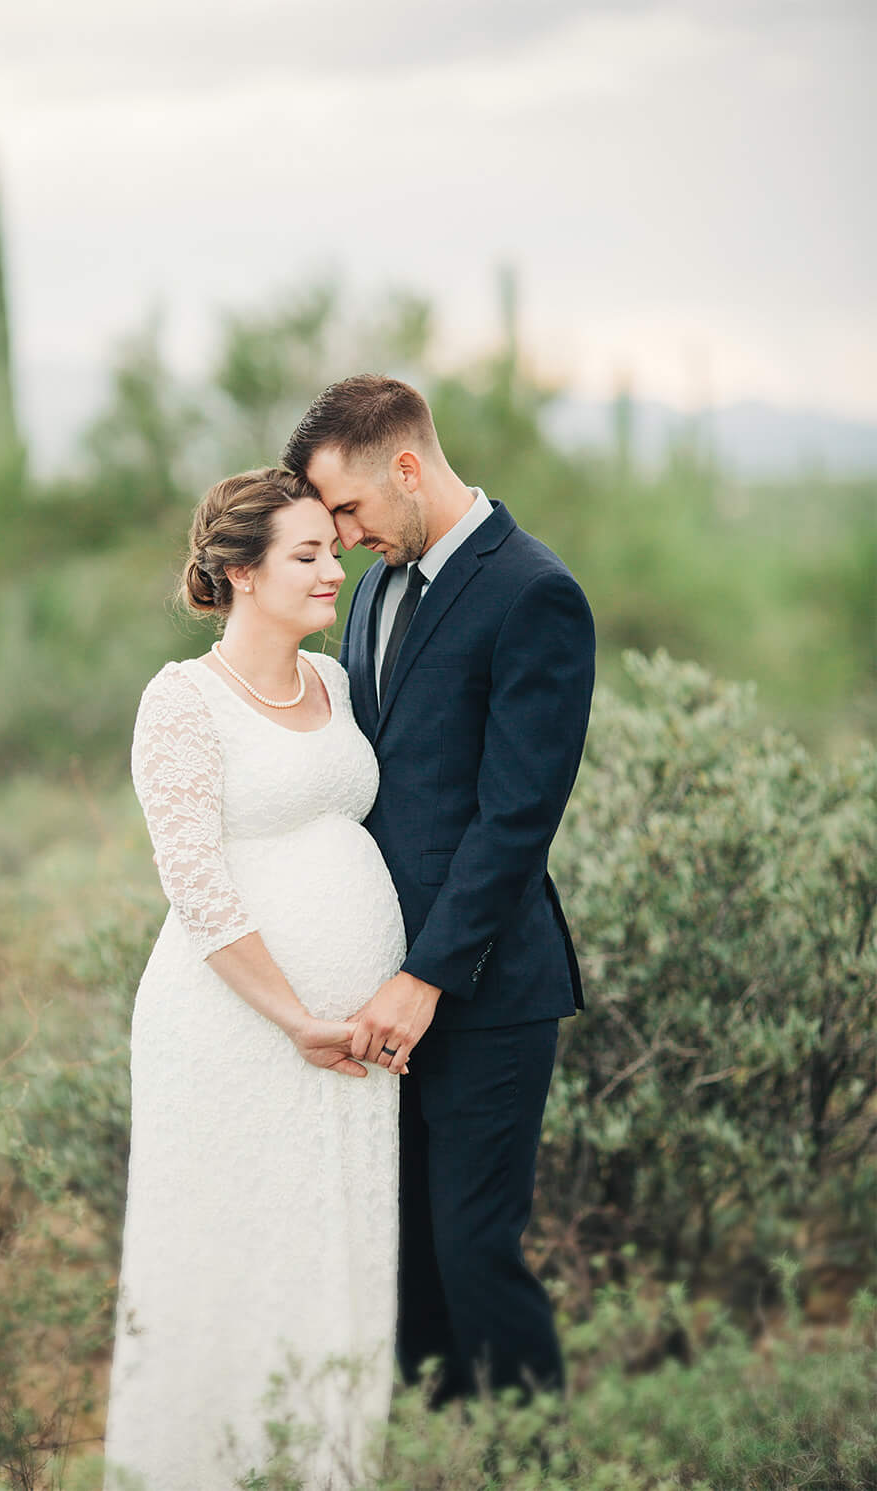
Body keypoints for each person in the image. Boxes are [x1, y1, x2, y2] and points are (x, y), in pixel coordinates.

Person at [284, 374, 594, 1410]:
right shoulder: (374, 586)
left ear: (406, 468)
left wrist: (424, 974)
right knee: (402, 1258)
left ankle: (534, 1466)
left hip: (488, 989)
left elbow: (515, 820)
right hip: (372, 990)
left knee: (473, 1251)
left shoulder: (532, 593)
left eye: (347, 509)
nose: (339, 536)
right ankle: (435, 1458)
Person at [104, 468, 406, 1491]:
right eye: (307, 555)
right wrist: (293, 1018)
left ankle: (328, 1467)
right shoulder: (181, 699)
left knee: (335, 1248)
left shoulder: (340, 685)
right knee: (230, 1250)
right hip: (235, 1030)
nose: (334, 570)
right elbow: (194, 885)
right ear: (239, 573)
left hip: (349, 1045)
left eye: (333, 549)